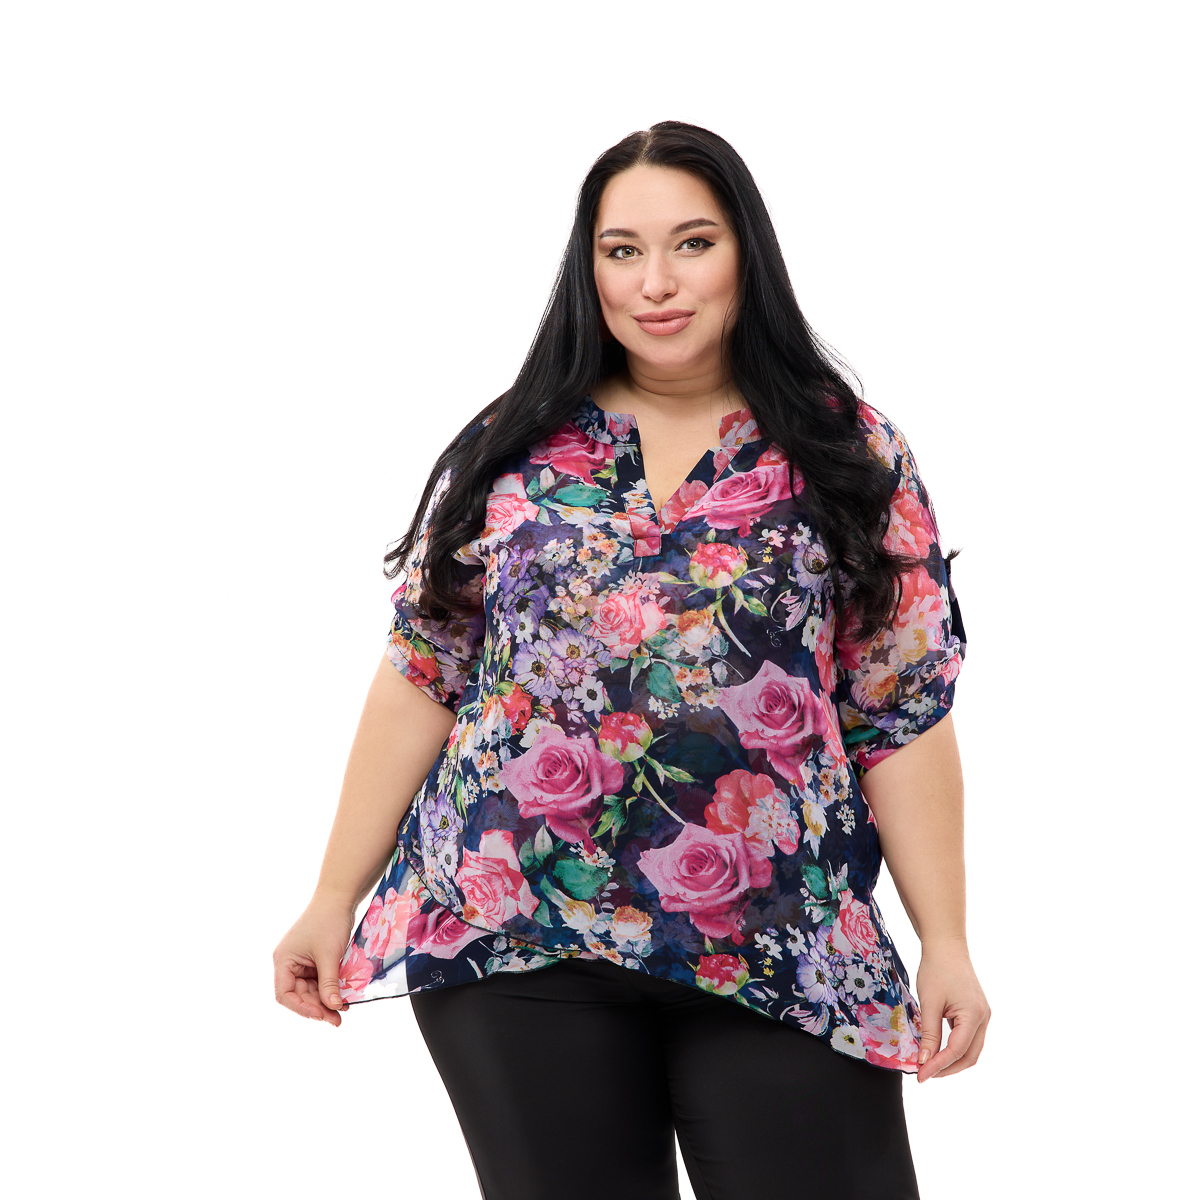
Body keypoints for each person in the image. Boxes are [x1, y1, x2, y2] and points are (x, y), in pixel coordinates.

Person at [273, 120, 989, 1200]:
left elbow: (900, 712)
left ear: (747, 253)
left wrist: (947, 942)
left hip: (783, 945)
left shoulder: (849, 452)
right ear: (590, 268)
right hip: (515, 938)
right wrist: (334, 895)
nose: (656, 281)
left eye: (692, 243)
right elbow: (426, 671)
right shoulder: (512, 445)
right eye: (622, 250)